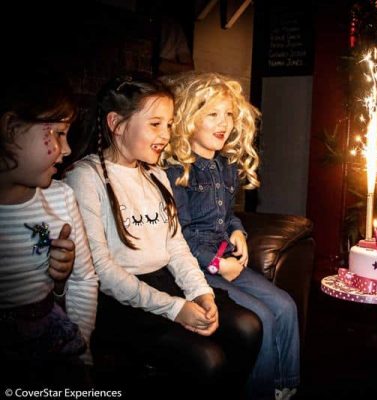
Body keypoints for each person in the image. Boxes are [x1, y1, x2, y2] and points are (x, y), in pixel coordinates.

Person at [63, 74, 262, 395]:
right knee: (207, 359)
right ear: (116, 123)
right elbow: (103, 271)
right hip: (121, 300)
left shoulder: (156, 175)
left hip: (166, 281)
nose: (166, 135)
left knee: (248, 326)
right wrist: (175, 308)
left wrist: (202, 294)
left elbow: (178, 247)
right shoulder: (86, 178)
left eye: (169, 125)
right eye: (155, 124)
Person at [161, 72, 300, 400]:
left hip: (226, 259)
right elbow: (177, 235)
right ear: (187, 118)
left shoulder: (225, 165)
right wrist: (215, 264)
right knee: (261, 316)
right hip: (198, 268)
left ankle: (286, 385)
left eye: (228, 114)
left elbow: (227, 217)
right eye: (212, 114)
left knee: (285, 305)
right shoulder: (177, 170)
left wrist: (238, 232)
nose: (223, 123)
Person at [0, 68, 98, 384]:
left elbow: (84, 279)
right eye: (57, 133)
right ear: (11, 129)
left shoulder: (61, 197)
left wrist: (81, 350)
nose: (67, 150)